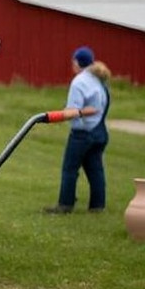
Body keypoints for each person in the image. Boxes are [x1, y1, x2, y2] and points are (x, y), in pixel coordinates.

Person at [44, 46, 111, 214]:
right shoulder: (99, 80)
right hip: (100, 131)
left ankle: (65, 205)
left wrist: (58, 115)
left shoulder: (79, 82)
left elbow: (71, 112)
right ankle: (97, 206)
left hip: (82, 134)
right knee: (95, 170)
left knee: (70, 169)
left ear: (77, 62)